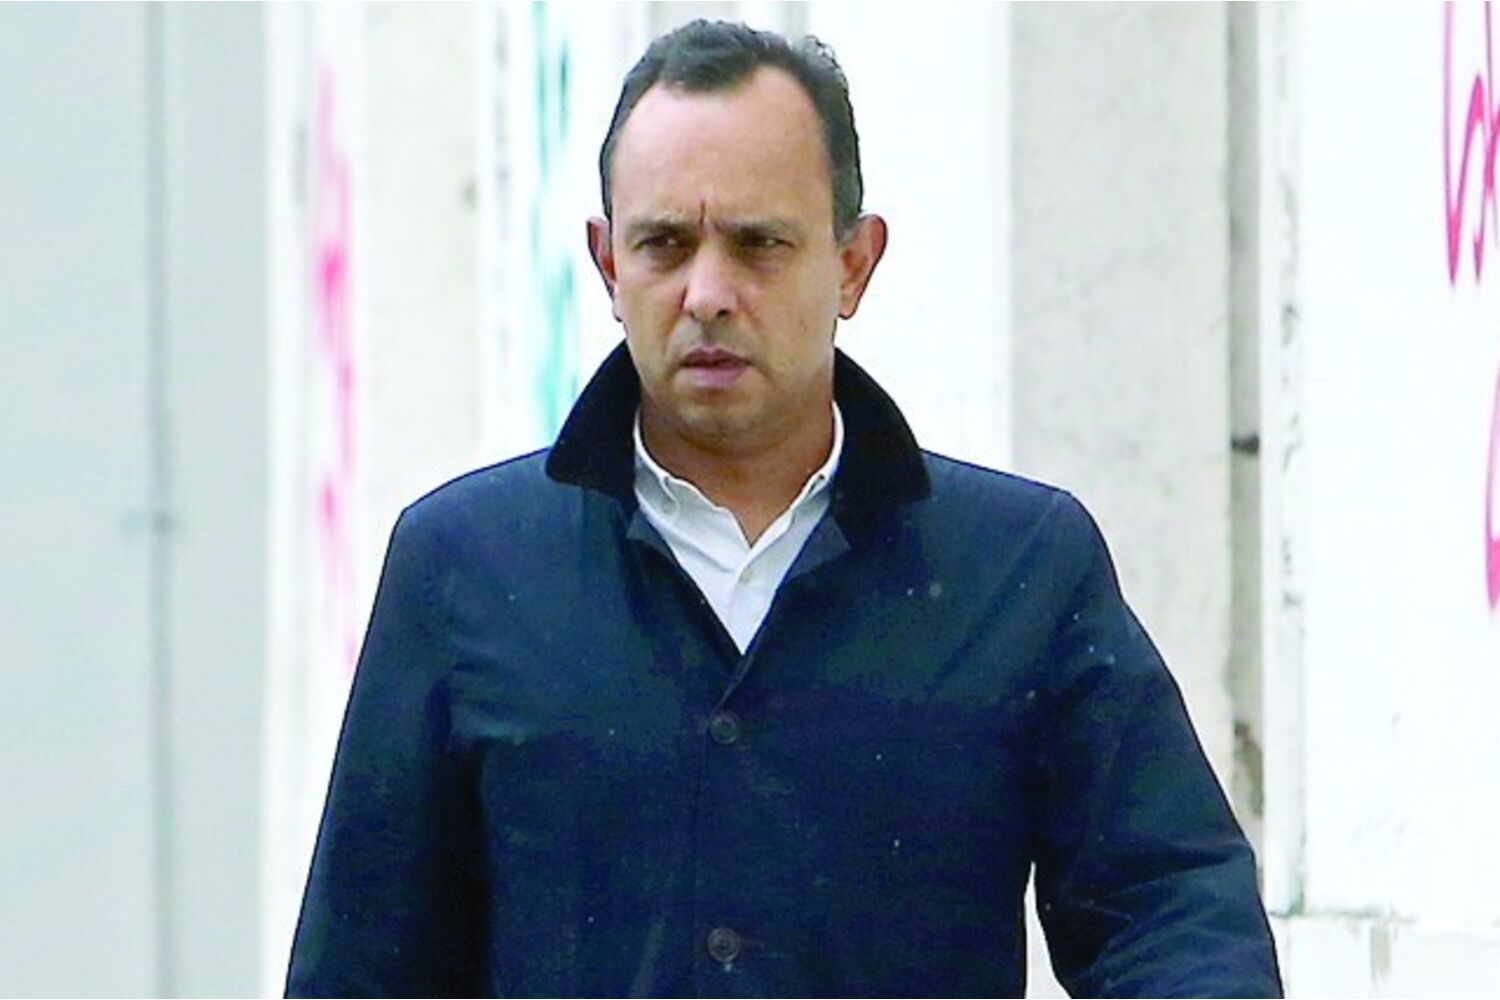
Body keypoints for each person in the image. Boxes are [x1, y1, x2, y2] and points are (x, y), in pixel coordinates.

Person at [286, 19, 1281, 999]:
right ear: (607, 264)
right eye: (665, 244)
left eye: (759, 244)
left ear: (853, 263)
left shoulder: (1019, 569)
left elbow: (1171, 910)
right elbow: (363, 969)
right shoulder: (463, 568)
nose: (707, 293)